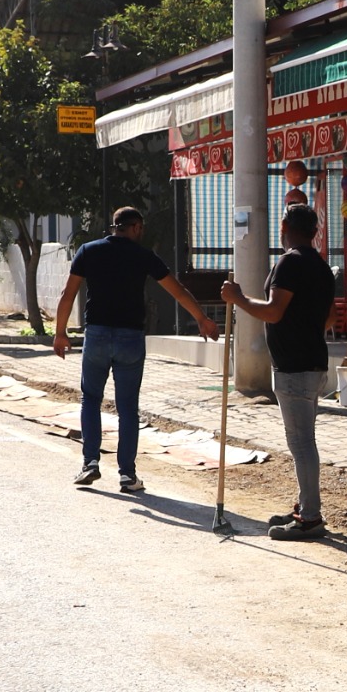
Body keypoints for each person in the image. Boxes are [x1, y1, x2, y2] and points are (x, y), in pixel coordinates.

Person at [53, 206, 217, 493]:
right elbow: (176, 290)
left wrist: (60, 333)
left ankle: (90, 463)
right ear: (136, 228)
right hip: (130, 338)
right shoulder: (144, 256)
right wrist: (201, 318)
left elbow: (68, 294)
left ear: (114, 226)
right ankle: (127, 475)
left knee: (91, 398)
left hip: (98, 335)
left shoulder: (88, 251)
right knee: (127, 407)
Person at [221, 203, 337, 541]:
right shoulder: (320, 266)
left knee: (301, 443)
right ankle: (305, 506)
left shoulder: (291, 262)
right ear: (315, 230)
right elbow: (329, 319)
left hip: (296, 367)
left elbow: (273, 312)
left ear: (285, 224)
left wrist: (238, 298)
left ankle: (311, 518)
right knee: (303, 440)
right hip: (312, 362)